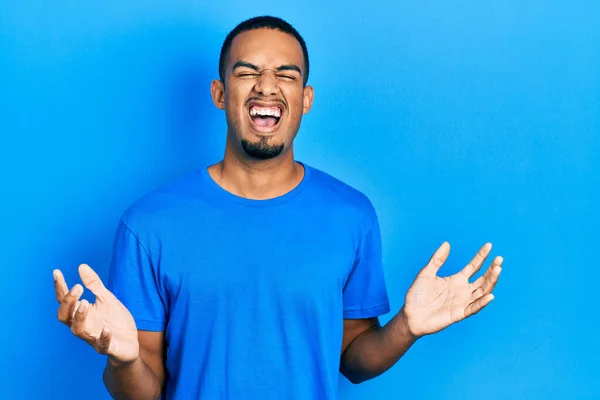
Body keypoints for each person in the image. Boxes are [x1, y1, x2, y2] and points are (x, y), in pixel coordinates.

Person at [53, 15, 503, 400]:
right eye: (247, 72)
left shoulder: (351, 216)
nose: (266, 86)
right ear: (220, 93)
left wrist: (405, 327)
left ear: (305, 99)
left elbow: (354, 359)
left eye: (286, 74)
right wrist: (124, 360)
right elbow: (143, 388)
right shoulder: (148, 224)